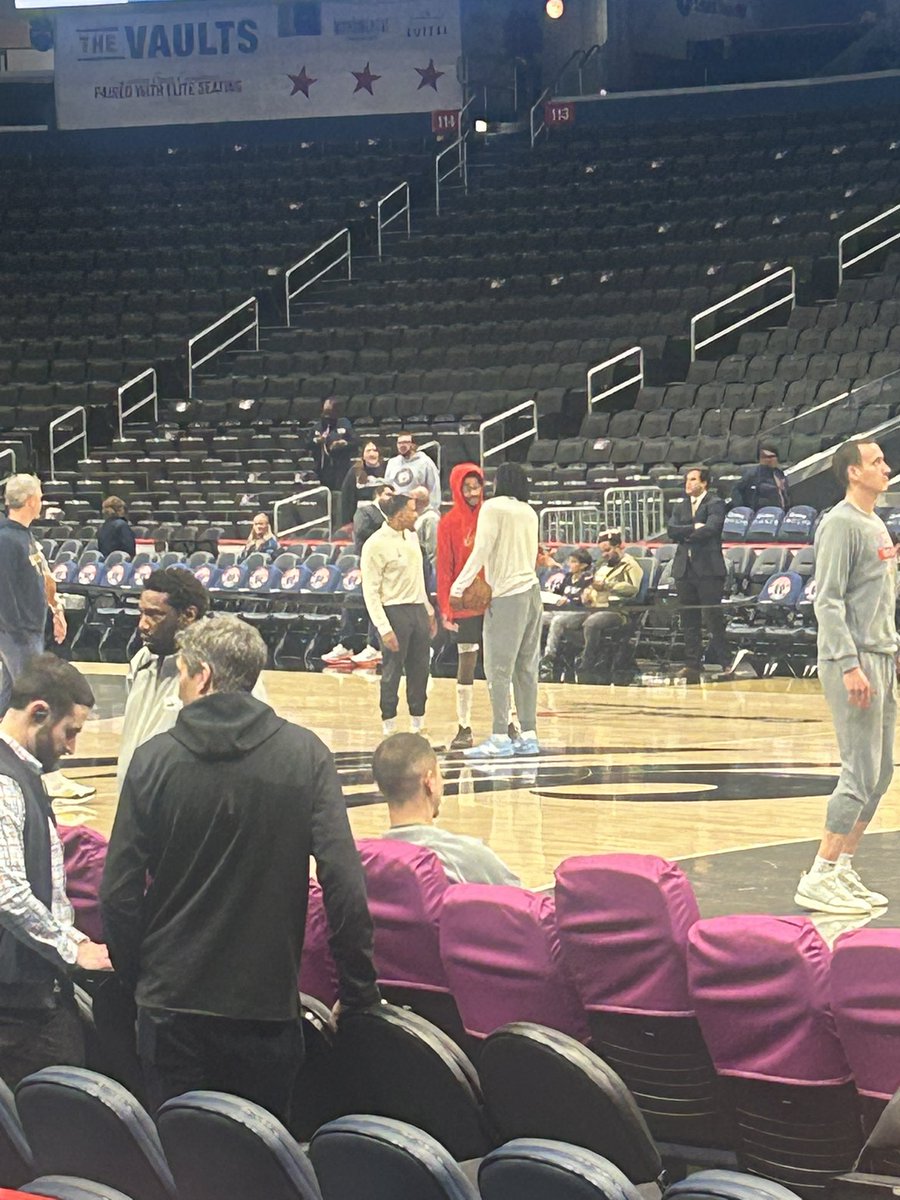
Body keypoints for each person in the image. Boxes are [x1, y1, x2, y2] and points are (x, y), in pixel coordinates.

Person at [101, 615, 380, 1117]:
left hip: (170, 1004)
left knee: (182, 1163)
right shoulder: (306, 755)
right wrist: (358, 990)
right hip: (264, 1009)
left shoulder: (152, 758)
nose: (179, 687)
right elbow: (343, 884)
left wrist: (137, 977)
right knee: (255, 1166)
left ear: (202, 676)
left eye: (182, 673)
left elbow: (117, 892)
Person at [794, 440, 897, 917]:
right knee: (857, 773)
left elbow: (876, 599)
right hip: (850, 661)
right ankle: (819, 873)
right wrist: (850, 663)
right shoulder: (838, 523)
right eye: (877, 462)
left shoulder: (874, 522)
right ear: (854, 472)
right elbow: (828, 600)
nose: (887, 468)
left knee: (880, 775)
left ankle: (842, 869)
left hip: (880, 655)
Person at [0, 655, 110, 1087]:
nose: (72, 747)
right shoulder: (5, 782)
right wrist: (69, 947)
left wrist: (80, 938)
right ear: (39, 713)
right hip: (17, 1010)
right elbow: (6, 889)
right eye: (71, 732)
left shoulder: (21, 774)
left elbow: (47, 887)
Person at [115, 566, 265, 793]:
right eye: (142, 612)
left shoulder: (224, 668)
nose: (143, 624)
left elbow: (254, 739)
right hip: (134, 797)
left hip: (183, 802)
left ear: (188, 615)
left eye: (155, 615)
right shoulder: (141, 661)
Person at [450, 462, 541, 759]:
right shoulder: (529, 511)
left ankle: (500, 737)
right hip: (532, 594)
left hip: (507, 596)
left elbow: (482, 550)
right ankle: (529, 735)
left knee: (498, 670)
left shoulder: (493, 508)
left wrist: (458, 586)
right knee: (526, 669)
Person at [374, 733, 521, 885]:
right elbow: (526, 904)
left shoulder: (367, 864)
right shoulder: (467, 856)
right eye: (440, 774)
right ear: (429, 781)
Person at [361, 493, 436, 738]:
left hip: (417, 609)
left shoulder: (413, 537)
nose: (416, 515)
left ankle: (418, 723)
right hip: (393, 611)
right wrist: (383, 627)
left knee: (420, 669)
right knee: (392, 671)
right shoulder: (374, 544)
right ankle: (389, 725)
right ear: (399, 514)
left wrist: (429, 610)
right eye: (412, 510)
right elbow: (370, 591)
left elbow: (419, 580)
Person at [0, 475, 66, 716]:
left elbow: (45, 577)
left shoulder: (25, 535)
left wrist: (56, 611)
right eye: (39, 496)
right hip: (18, 632)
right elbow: (3, 590)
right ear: (29, 501)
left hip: (29, 629)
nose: (42, 501)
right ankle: (31, 747)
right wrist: (16, 630)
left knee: (10, 693)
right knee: (33, 694)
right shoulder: (6, 538)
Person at [437, 464, 487, 751]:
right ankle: (464, 726)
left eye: (476, 486)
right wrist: (446, 607)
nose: (472, 492)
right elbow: (444, 569)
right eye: (466, 487)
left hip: (492, 604)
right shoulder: (448, 523)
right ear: (457, 489)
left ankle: (508, 722)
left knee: (498, 666)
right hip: (465, 606)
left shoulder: (491, 515)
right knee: (466, 664)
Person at [667, 467, 728, 684]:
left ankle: (725, 662)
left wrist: (686, 534)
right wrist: (693, 528)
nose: (688, 483)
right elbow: (671, 530)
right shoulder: (680, 505)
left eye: (693, 479)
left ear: (704, 483)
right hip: (684, 569)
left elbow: (712, 529)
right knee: (689, 620)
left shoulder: (715, 503)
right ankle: (692, 664)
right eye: (687, 480)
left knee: (713, 618)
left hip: (709, 569)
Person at [323, 481, 394, 667]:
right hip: (368, 564)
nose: (391, 498)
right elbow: (362, 530)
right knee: (352, 600)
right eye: (387, 494)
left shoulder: (393, 515)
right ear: (377, 495)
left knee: (376, 604)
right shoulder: (366, 511)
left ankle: (374, 646)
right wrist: (386, 531)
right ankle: (347, 644)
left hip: (387, 567)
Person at [577, 534, 645, 686]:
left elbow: (633, 589)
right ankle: (560, 658)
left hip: (617, 611)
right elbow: (592, 585)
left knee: (591, 623)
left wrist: (608, 585)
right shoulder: (603, 566)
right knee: (561, 620)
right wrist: (586, 594)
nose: (604, 554)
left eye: (607, 550)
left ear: (619, 547)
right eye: (602, 551)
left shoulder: (630, 565)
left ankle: (587, 663)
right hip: (594, 607)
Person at [539, 548, 595, 683]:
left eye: (574, 562)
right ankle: (536, 655)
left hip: (580, 612)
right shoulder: (568, 577)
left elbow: (585, 598)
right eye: (569, 561)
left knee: (557, 621)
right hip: (563, 610)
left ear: (583, 565)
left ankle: (549, 658)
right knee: (539, 617)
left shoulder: (588, 578)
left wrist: (570, 600)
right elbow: (558, 594)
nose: (570, 564)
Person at [306, 397, 358, 491]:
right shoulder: (317, 427)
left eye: (329, 411)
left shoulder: (345, 424)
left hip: (342, 468)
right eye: (325, 412)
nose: (327, 416)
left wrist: (344, 444)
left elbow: (355, 443)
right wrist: (317, 441)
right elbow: (307, 444)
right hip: (322, 469)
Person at [384, 432, 441, 512]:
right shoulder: (392, 462)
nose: (402, 445)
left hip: (419, 510)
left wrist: (433, 509)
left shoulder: (425, 462)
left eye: (406, 442)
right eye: (399, 443)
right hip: (397, 510)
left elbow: (434, 487)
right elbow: (387, 485)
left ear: (414, 445)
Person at [732, 445, 791, 512]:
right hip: (761, 513)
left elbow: (785, 493)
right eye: (766, 457)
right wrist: (742, 509)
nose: (769, 460)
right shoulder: (753, 474)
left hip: (780, 512)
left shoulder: (779, 473)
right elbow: (736, 489)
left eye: (772, 457)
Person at [340, 440, 385, 526]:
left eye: (375, 450)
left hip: (382, 518)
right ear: (363, 456)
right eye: (368, 451)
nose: (372, 454)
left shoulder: (387, 469)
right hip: (362, 519)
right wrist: (347, 524)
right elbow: (347, 499)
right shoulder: (354, 472)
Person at [412, 485, 439, 581]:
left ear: (417, 501)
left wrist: (431, 573)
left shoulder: (431, 518)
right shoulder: (418, 517)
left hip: (428, 570)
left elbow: (432, 548)